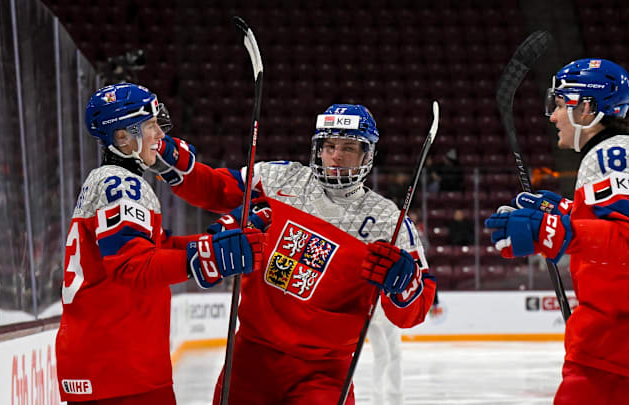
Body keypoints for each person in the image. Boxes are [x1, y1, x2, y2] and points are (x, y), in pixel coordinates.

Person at [156, 104, 436, 404]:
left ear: (368, 155)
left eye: (349, 148)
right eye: (329, 146)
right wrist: (167, 157)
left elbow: (415, 310)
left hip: (325, 373)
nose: (336, 156)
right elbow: (215, 189)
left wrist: (405, 286)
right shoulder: (279, 180)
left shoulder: (387, 221)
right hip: (250, 359)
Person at [484, 59, 629, 404]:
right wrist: (567, 211)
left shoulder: (610, 154)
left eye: (559, 103)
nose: (552, 116)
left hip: (617, 340)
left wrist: (550, 231)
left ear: (587, 108)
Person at [55, 83, 265, 404]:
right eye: (150, 126)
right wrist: (209, 258)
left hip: (104, 362)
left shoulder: (108, 180)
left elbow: (157, 249)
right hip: (121, 368)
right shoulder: (122, 184)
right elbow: (133, 266)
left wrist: (219, 239)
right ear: (123, 137)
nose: (159, 136)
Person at [367, 302, 404, 405]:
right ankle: (378, 394)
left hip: (385, 308)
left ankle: (394, 393)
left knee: (393, 354)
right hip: (374, 309)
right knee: (384, 355)